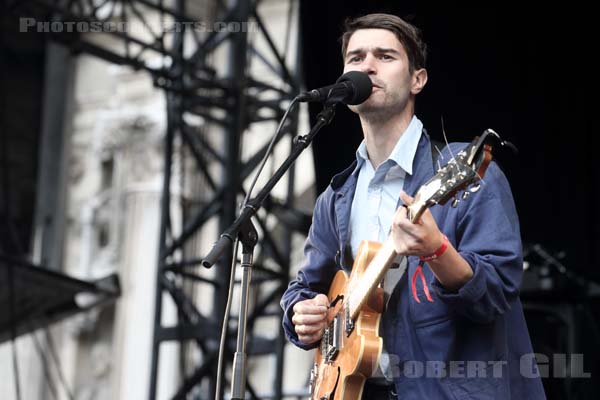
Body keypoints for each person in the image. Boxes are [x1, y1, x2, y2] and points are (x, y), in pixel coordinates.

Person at [280, 13, 546, 399]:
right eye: (355, 58)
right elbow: (304, 288)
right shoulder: (335, 197)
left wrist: (436, 251)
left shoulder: (464, 173)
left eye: (385, 56)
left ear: (417, 79)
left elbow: (498, 292)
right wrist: (300, 314)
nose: (367, 65)